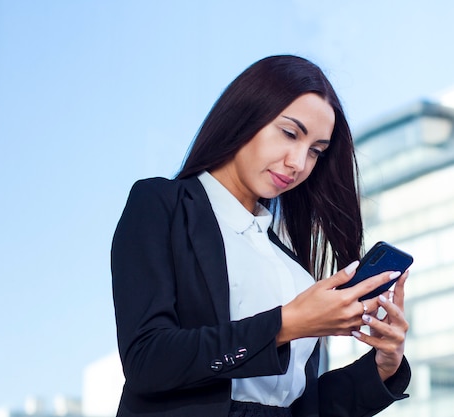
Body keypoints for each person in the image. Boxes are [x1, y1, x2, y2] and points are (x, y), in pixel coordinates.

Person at [111, 55, 411, 417]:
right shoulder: (163, 204)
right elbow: (147, 360)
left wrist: (384, 366)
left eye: (316, 151)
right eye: (289, 133)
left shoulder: (291, 266)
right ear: (244, 114)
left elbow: (300, 407)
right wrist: (286, 324)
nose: (298, 163)